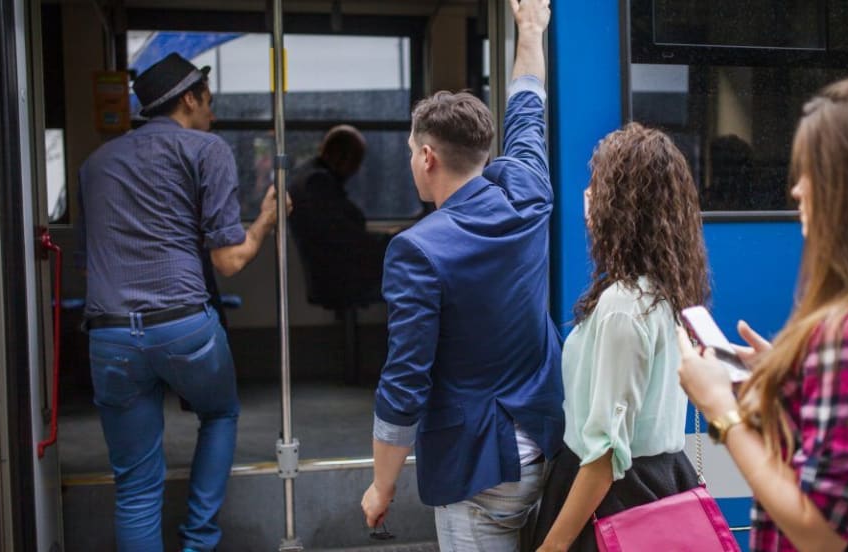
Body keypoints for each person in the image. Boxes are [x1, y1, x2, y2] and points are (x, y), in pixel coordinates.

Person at [678, 76, 848, 551]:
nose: (797, 190)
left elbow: (820, 532)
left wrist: (721, 410)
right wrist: (793, 377)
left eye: (812, 172)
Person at [360, 1, 563, 550]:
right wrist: (530, 31)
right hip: (544, 445)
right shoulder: (529, 193)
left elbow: (405, 379)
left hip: (479, 470)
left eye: (411, 152)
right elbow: (528, 109)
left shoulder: (417, 250)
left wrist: (382, 485)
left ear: (427, 157)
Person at [78, 52, 288, 552]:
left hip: (109, 334)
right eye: (209, 100)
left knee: (134, 487)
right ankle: (197, 541)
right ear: (190, 99)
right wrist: (266, 220)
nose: (213, 112)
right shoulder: (206, 149)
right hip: (183, 326)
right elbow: (229, 261)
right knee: (219, 414)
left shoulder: (94, 164)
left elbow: (90, 259)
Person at [531, 123, 710, 551]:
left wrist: (551, 546)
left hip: (610, 501)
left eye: (598, 184)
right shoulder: (665, 291)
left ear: (624, 205)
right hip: (659, 483)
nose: (587, 194)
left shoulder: (623, 305)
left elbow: (605, 455)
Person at [287, 125, 390, 309]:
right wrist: (390, 240)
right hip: (340, 277)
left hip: (332, 272)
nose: (356, 169)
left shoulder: (310, 177)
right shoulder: (316, 183)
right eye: (355, 161)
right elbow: (347, 237)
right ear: (340, 157)